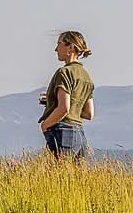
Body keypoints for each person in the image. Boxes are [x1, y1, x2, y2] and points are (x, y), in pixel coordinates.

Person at [37, 29, 95, 159]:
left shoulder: (64, 72)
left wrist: (45, 125)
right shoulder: (86, 77)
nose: (56, 49)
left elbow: (64, 108)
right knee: (74, 178)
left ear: (71, 47)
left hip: (63, 132)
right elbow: (89, 113)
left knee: (57, 176)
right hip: (80, 134)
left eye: (59, 44)